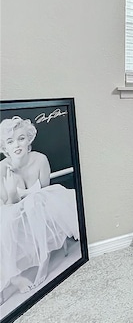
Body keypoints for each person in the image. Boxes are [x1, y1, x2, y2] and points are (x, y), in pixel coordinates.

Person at [0, 116, 79, 298]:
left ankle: (44, 257)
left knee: (40, 200)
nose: (17, 144)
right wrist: (12, 193)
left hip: (37, 210)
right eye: (10, 141)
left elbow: (45, 193)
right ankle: (15, 278)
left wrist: (27, 199)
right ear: (5, 148)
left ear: (29, 140)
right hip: (9, 213)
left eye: (21, 138)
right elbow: (5, 207)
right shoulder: (1, 169)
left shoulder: (40, 160)